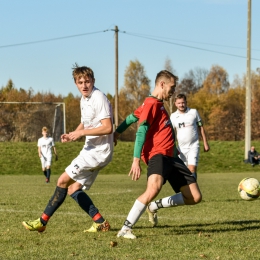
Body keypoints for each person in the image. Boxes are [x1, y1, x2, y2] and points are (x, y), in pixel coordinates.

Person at [22, 64, 113, 233]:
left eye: (87, 81)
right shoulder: (84, 100)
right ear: (75, 84)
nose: (84, 85)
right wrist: (73, 134)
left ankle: (42, 221)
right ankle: (100, 222)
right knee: (73, 188)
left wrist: (81, 134)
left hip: (97, 152)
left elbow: (108, 127)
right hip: (93, 150)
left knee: (62, 181)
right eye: (80, 82)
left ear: (93, 81)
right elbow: (86, 122)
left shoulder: (98, 97)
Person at [114, 70, 202, 239]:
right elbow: (141, 130)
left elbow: (131, 118)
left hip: (172, 158)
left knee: (195, 196)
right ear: (162, 84)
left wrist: (117, 133)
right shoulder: (151, 104)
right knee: (153, 188)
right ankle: (125, 229)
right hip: (158, 155)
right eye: (172, 87)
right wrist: (136, 159)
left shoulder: (155, 104)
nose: (173, 91)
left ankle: (154, 206)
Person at [170, 94, 210, 180]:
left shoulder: (193, 112)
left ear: (186, 102)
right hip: (180, 149)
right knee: (183, 171)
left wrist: (205, 143)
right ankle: (188, 191)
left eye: (183, 102)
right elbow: (171, 133)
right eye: (179, 103)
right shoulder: (173, 116)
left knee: (192, 168)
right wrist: (172, 147)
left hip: (193, 146)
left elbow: (201, 127)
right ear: (175, 104)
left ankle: (193, 191)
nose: (181, 105)